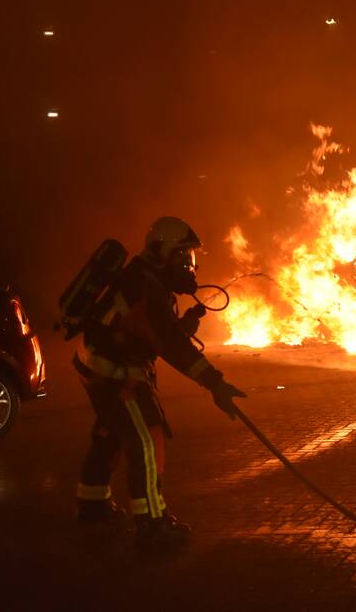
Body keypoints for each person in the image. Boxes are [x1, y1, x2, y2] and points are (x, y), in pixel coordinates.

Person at [73, 216, 246, 546]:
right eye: (185, 258)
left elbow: (155, 333)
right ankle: (152, 525)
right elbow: (172, 347)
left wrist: (182, 326)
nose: (190, 267)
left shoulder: (145, 278)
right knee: (147, 439)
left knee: (111, 432)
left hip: (94, 365)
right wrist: (216, 384)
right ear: (163, 253)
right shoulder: (146, 287)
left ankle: (92, 503)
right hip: (117, 375)